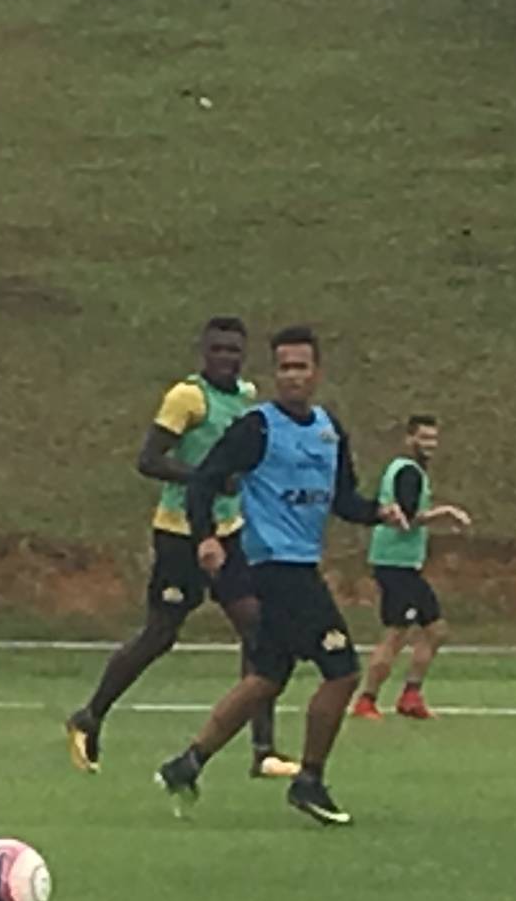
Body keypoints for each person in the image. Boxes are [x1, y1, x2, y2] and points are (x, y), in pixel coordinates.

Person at [153, 326, 409, 827]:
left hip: (299, 565)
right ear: (275, 374)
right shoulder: (257, 428)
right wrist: (205, 535)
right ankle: (309, 780)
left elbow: (343, 500)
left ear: (318, 373)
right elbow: (205, 478)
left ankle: (187, 763)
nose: (293, 375)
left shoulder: (328, 430)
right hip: (275, 568)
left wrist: (380, 512)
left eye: (302, 366)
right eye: (285, 367)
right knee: (343, 671)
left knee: (267, 677)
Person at [65, 316, 299, 779]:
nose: (227, 359)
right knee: (160, 634)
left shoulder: (246, 398)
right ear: (203, 352)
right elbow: (149, 460)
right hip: (179, 534)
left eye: (234, 351)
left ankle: (263, 750)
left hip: (229, 532)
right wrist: (205, 477)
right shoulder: (186, 398)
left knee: (259, 631)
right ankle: (89, 716)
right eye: (219, 350)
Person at [350, 414, 473, 722]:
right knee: (396, 634)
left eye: (433, 438)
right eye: (423, 438)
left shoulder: (412, 471)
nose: (429, 444)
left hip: (406, 565)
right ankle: (366, 700)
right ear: (409, 439)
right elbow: (405, 521)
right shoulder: (407, 472)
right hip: (394, 564)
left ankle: (411, 696)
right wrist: (446, 512)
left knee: (435, 630)